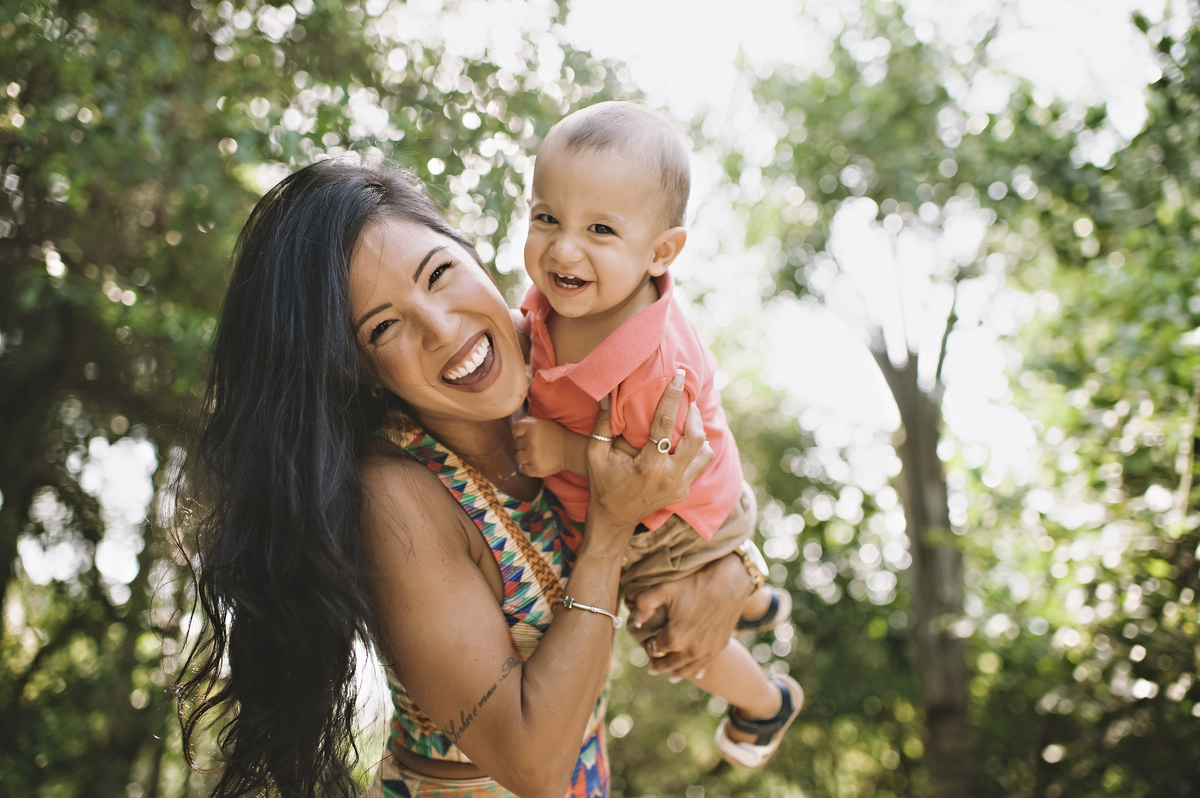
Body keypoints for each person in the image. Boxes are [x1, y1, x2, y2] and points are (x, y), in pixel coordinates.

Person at [176, 159, 761, 798]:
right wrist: (612, 528)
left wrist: (737, 567)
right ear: (362, 370)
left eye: (439, 273)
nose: (443, 329)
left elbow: (692, 449)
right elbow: (533, 765)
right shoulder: (396, 495)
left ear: (472, 254)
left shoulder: (566, 360)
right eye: (384, 326)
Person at [511, 102, 802, 769]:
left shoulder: (650, 369)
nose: (563, 247)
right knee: (716, 574)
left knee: (665, 628)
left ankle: (764, 703)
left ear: (661, 252)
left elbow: (644, 472)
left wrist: (559, 450)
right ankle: (761, 598)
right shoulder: (555, 301)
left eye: (600, 229)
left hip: (670, 516)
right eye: (546, 217)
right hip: (703, 501)